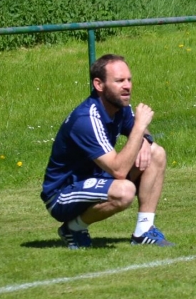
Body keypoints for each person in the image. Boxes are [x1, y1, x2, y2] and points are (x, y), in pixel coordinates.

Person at [41, 54, 174, 249]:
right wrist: (139, 128)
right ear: (99, 84)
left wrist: (145, 139)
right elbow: (119, 170)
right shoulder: (87, 119)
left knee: (156, 153)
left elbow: (141, 133)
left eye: (129, 80)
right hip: (62, 194)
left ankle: (144, 230)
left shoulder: (120, 107)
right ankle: (73, 228)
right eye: (119, 81)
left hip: (97, 178)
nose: (127, 86)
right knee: (124, 191)